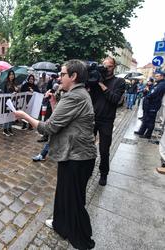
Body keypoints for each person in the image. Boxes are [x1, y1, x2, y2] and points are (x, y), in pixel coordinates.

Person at [15, 59, 97, 250]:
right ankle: (61, 225)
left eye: (62, 74)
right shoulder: (75, 94)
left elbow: (48, 127)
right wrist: (53, 102)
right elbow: (61, 119)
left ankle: (82, 240)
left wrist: (25, 117)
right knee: (63, 194)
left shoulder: (74, 96)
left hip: (78, 157)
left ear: (73, 76)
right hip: (72, 155)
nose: (59, 77)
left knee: (74, 200)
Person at [89, 56, 125, 186]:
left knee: (104, 149)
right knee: (88, 147)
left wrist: (101, 84)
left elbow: (115, 99)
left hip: (107, 121)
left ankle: (104, 173)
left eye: (109, 66)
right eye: (104, 66)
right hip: (92, 118)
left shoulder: (119, 82)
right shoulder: (95, 79)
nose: (106, 68)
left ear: (114, 67)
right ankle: (88, 170)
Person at [134, 71, 165, 139]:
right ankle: (141, 131)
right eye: (155, 76)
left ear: (162, 77)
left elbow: (154, 93)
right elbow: (151, 91)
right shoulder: (158, 84)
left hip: (153, 105)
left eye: (157, 76)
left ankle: (148, 135)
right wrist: (147, 92)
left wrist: (147, 96)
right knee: (145, 119)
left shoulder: (162, 84)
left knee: (150, 120)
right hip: (149, 104)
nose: (155, 77)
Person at [2, 70, 19, 136]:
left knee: (12, 115)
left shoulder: (14, 83)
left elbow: (17, 93)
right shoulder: (6, 83)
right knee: (7, 115)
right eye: (10, 74)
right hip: (7, 101)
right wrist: (11, 93)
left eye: (13, 74)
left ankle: (9, 127)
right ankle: (5, 129)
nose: (11, 76)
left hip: (13, 101)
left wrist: (17, 90)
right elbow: (5, 93)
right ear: (8, 76)